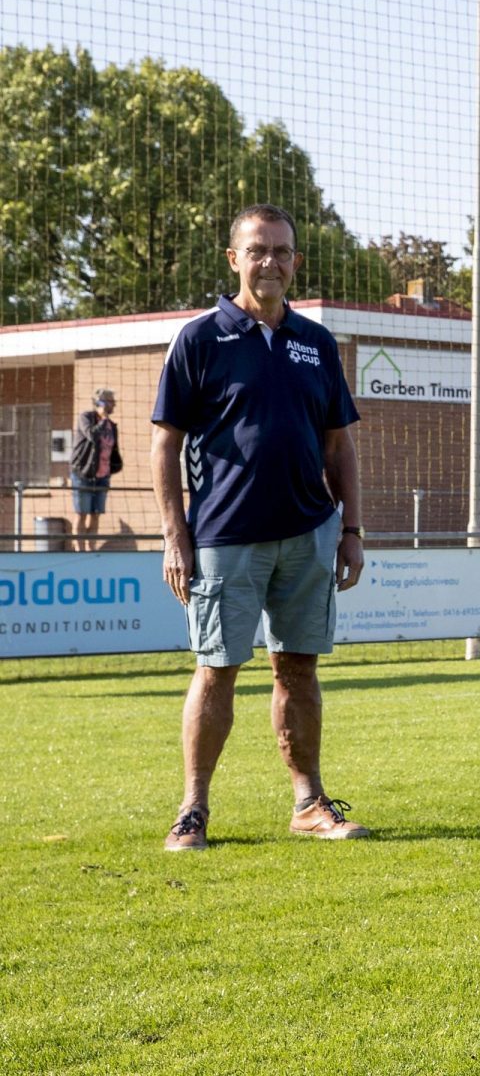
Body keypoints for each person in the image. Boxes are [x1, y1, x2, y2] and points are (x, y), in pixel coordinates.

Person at [152, 203, 368, 851]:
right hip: (222, 537)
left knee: (297, 671)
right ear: (233, 258)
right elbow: (164, 446)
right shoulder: (198, 339)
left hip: (308, 536)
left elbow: (339, 446)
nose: (269, 261)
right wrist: (173, 535)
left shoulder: (316, 343)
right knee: (216, 668)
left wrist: (351, 528)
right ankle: (193, 810)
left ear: (295, 262)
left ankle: (309, 803)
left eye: (281, 251)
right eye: (257, 249)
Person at [70, 388, 122, 551]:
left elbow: (113, 449)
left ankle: (91, 549)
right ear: (103, 402)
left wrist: (114, 466)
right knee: (81, 513)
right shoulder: (86, 418)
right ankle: (79, 550)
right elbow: (91, 435)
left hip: (102, 475)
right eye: (111, 401)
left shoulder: (112, 426)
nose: (114, 405)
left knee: (96, 513)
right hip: (83, 473)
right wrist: (102, 419)